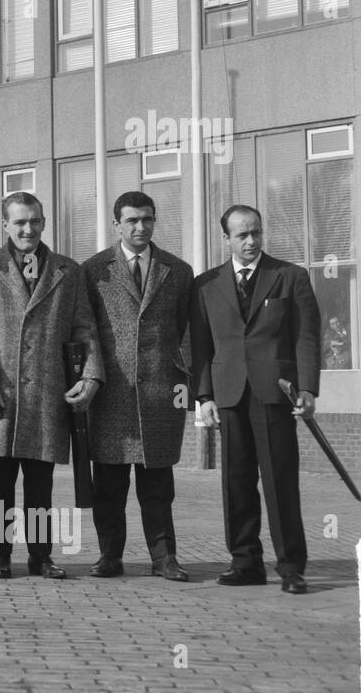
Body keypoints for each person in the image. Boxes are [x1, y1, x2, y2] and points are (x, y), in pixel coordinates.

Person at [0, 192, 102, 579]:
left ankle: (41, 556)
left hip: (47, 390)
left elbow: (84, 327)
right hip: (2, 391)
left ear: (44, 223)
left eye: (35, 221)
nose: (28, 229)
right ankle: (0, 554)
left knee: (40, 483)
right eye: (20, 222)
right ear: (5, 225)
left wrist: (91, 375)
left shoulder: (67, 271)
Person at [190, 204, 320, 595]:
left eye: (256, 233)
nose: (251, 241)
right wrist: (204, 396)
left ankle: (291, 567)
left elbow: (306, 337)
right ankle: (245, 562)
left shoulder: (290, 277)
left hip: (275, 394)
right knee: (236, 481)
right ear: (226, 238)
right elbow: (200, 346)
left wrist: (308, 388)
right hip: (229, 394)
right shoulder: (205, 285)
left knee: (280, 481)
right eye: (242, 235)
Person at [82, 191, 193, 581]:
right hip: (111, 394)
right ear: (117, 224)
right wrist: (89, 377)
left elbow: (186, 332)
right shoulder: (94, 271)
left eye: (147, 219)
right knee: (109, 487)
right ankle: (110, 556)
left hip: (160, 395)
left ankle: (165, 559)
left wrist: (184, 383)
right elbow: (86, 332)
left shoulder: (177, 271)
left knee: (158, 488)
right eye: (131, 220)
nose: (140, 227)